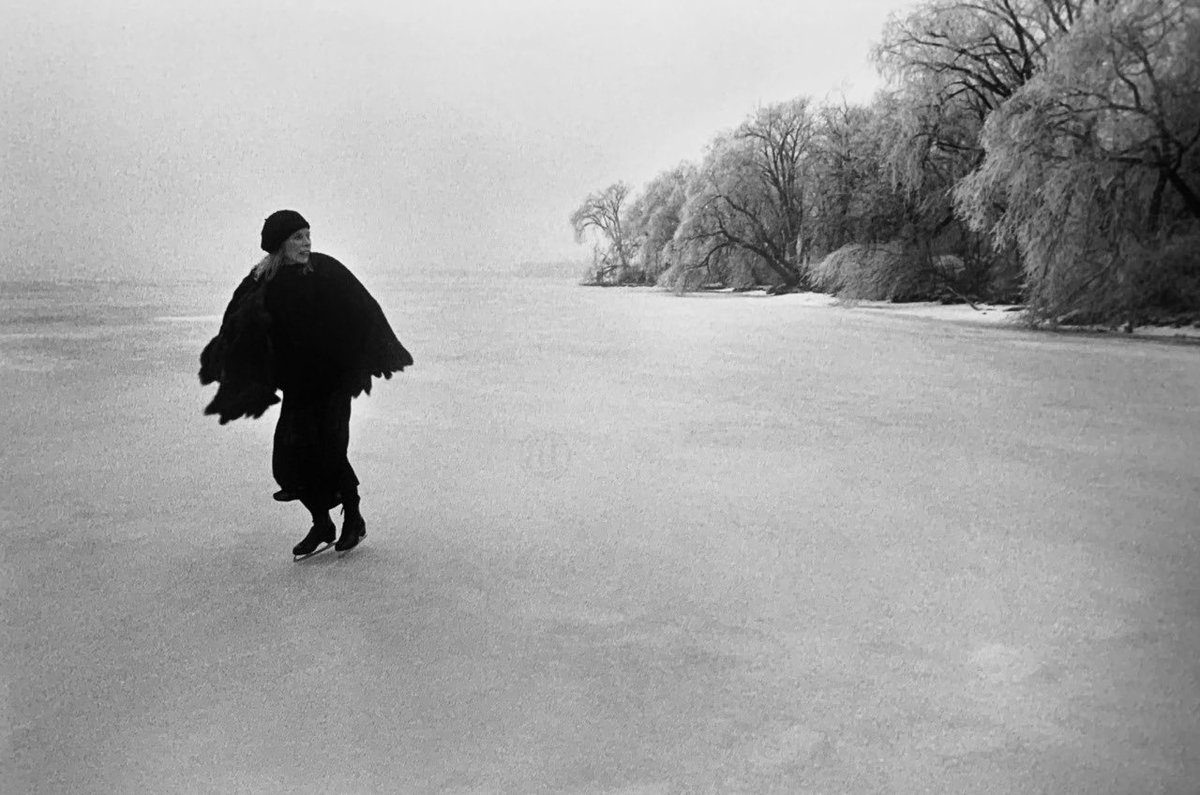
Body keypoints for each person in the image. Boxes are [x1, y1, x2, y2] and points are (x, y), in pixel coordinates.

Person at [200, 210, 413, 557]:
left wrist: (373, 354)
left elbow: (365, 310)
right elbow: (238, 322)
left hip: (331, 382)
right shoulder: (261, 279)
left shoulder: (325, 270)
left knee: (329, 451)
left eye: (307, 235)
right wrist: (232, 358)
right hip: (298, 386)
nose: (306, 243)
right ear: (280, 244)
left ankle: (354, 519)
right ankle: (322, 522)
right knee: (288, 461)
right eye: (298, 237)